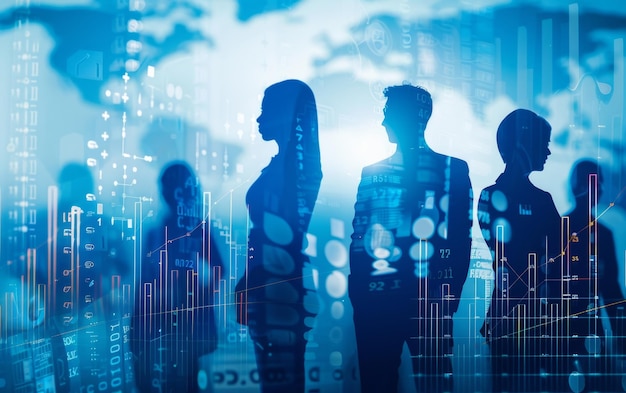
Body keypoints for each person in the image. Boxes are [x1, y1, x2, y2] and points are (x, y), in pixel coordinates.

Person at [349, 84, 473, 393]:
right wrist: (360, 296)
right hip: (381, 304)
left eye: (388, 113)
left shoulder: (452, 171)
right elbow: (359, 238)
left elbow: (460, 238)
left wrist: (449, 296)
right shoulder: (373, 172)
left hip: (422, 303)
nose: (383, 122)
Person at [234, 79, 322, 393]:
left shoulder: (300, 173)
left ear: (285, 114)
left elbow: (282, 237)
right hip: (267, 290)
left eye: (265, 110)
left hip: (280, 292)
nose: (258, 119)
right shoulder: (279, 169)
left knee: (282, 382)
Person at [477, 109, 562, 392]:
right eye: (544, 142)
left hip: (516, 315)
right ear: (524, 141)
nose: (548, 151)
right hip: (530, 316)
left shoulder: (492, 196)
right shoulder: (539, 201)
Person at [132, 161, 222, 393]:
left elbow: (217, 270)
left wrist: (194, 294)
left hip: (180, 331)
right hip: (165, 329)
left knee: (183, 380)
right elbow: (145, 286)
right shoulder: (160, 232)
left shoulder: (195, 230)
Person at [555, 159, 626, 392]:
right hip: (577, 332)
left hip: (567, 331)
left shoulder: (557, 229)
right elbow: (611, 290)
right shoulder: (597, 234)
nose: (602, 188)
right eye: (598, 182)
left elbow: (611, 290)